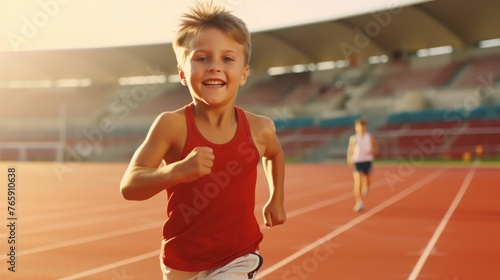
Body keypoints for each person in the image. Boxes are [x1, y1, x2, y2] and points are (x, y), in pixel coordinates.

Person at [119, 1, 286, 279]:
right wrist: (176, 171)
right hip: (180, 261)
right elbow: (130, 186)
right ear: (183, 73)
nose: (214, 67)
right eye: (202, 58)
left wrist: (276, 198)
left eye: (228, 59)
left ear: (243, 74)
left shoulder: (260, 129)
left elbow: (274, 154)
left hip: (238, 256)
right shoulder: (171, 125)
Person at [346, 118, 377, 212]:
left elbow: (375, 147)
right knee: (358, 179)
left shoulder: (369, 137)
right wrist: (349, 159)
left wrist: (373, 151)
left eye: (363, 127)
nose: (361, 129)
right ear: (356, 128)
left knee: (367, 178)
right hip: (357, 160)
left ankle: (366, 186)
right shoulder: (353, 138)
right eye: (359, 127)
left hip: (367, 160)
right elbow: (350, 149)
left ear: (365, 127)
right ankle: (359, 202)